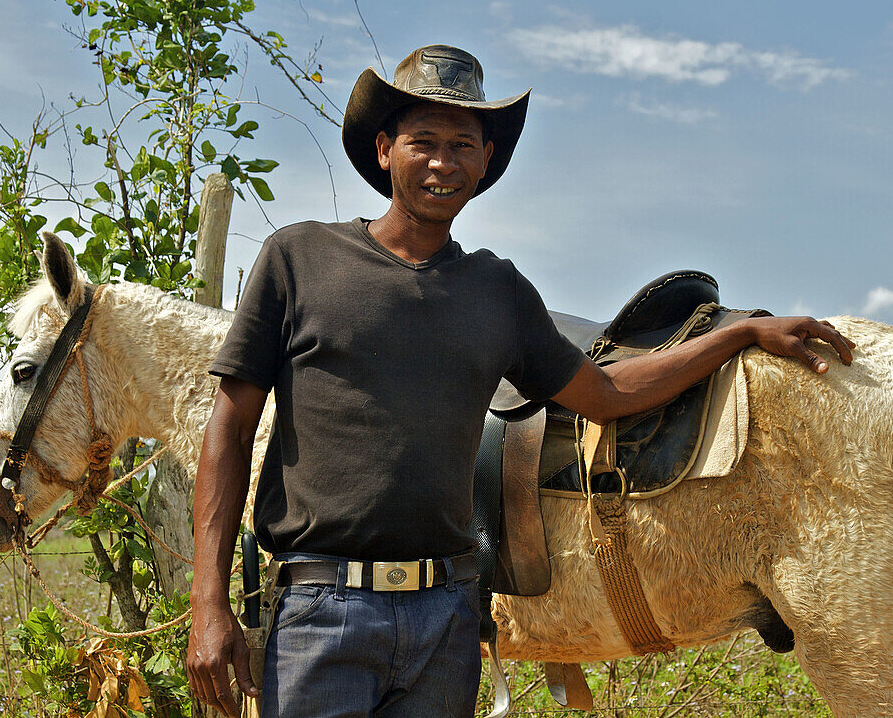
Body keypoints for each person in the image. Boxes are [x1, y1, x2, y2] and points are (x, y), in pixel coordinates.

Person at [186, 44, 855, 717]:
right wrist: (208, 603)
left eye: (462, 145)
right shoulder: (298, 259)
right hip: (319, 611)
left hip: (444, 618)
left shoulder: (496, 290)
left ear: (484, 162)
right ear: (386, 150)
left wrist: (737, 335)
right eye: (424, 141)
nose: (443, 162)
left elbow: (607, 393)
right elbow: (231, 426)